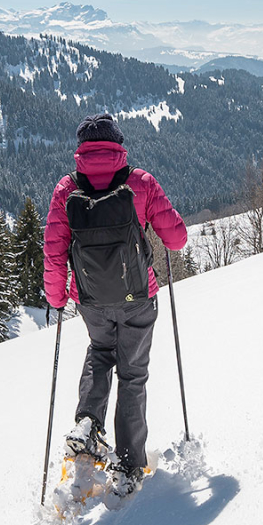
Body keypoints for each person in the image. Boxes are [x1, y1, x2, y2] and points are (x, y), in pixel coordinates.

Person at [43, 113, 187, 497]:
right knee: (133, 375)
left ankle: (88, 421)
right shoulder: (140, 183)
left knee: (100, 353)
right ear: (118, 145)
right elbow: (177, 239)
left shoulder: (66, 189)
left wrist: (57, 296)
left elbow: (54, 251)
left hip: (91, 301)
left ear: (81, 151)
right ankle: (128, 464)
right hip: (138, 298)